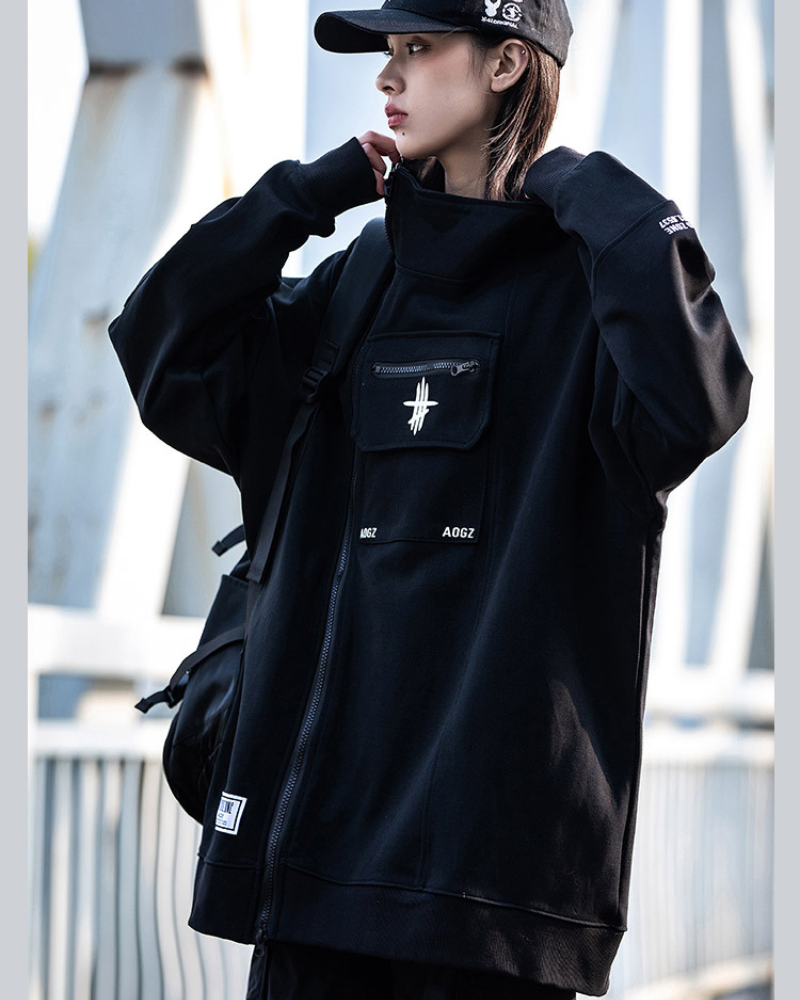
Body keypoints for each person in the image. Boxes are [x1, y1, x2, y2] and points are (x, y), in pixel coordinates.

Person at [108, 1, 753, 997]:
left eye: (416, 49)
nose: (385, 76)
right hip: (313, 867)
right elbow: (162, 342)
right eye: (386, 52)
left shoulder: (588, 301)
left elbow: (699, 398)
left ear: (506, 64)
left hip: (489, 902)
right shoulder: (355, 288)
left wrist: (586, 189)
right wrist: (304, 195)